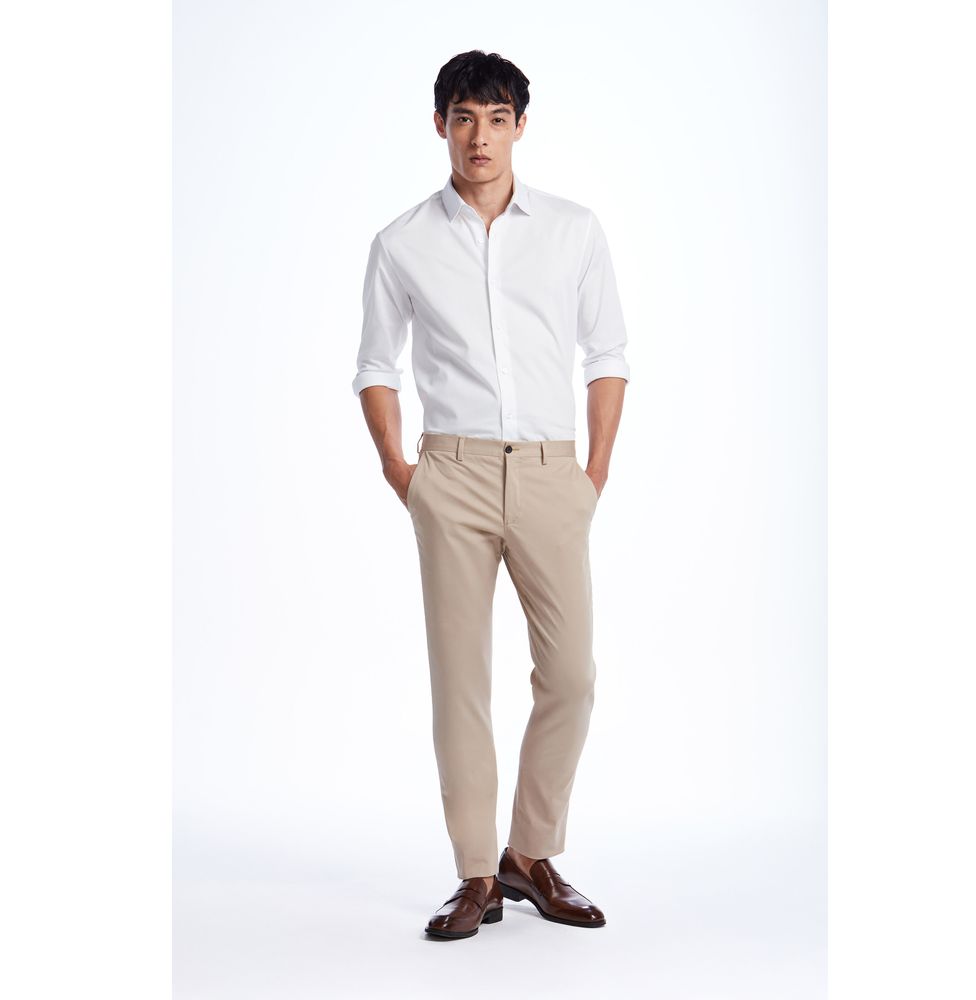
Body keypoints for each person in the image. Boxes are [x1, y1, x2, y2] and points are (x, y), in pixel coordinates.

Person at [352, 49, 629, 940]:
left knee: (572, 676)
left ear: (520, 127)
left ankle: (530, 854)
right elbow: (376, 365)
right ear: (441, 125)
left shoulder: (573, 230)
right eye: (465, 117)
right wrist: (401, 473)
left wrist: (594, 473)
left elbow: (608, 353)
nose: (481, 136)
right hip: (453, 475)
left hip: (553, 473)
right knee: (460, 681)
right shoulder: (401, 242)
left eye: (498, 118)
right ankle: (476, 872)